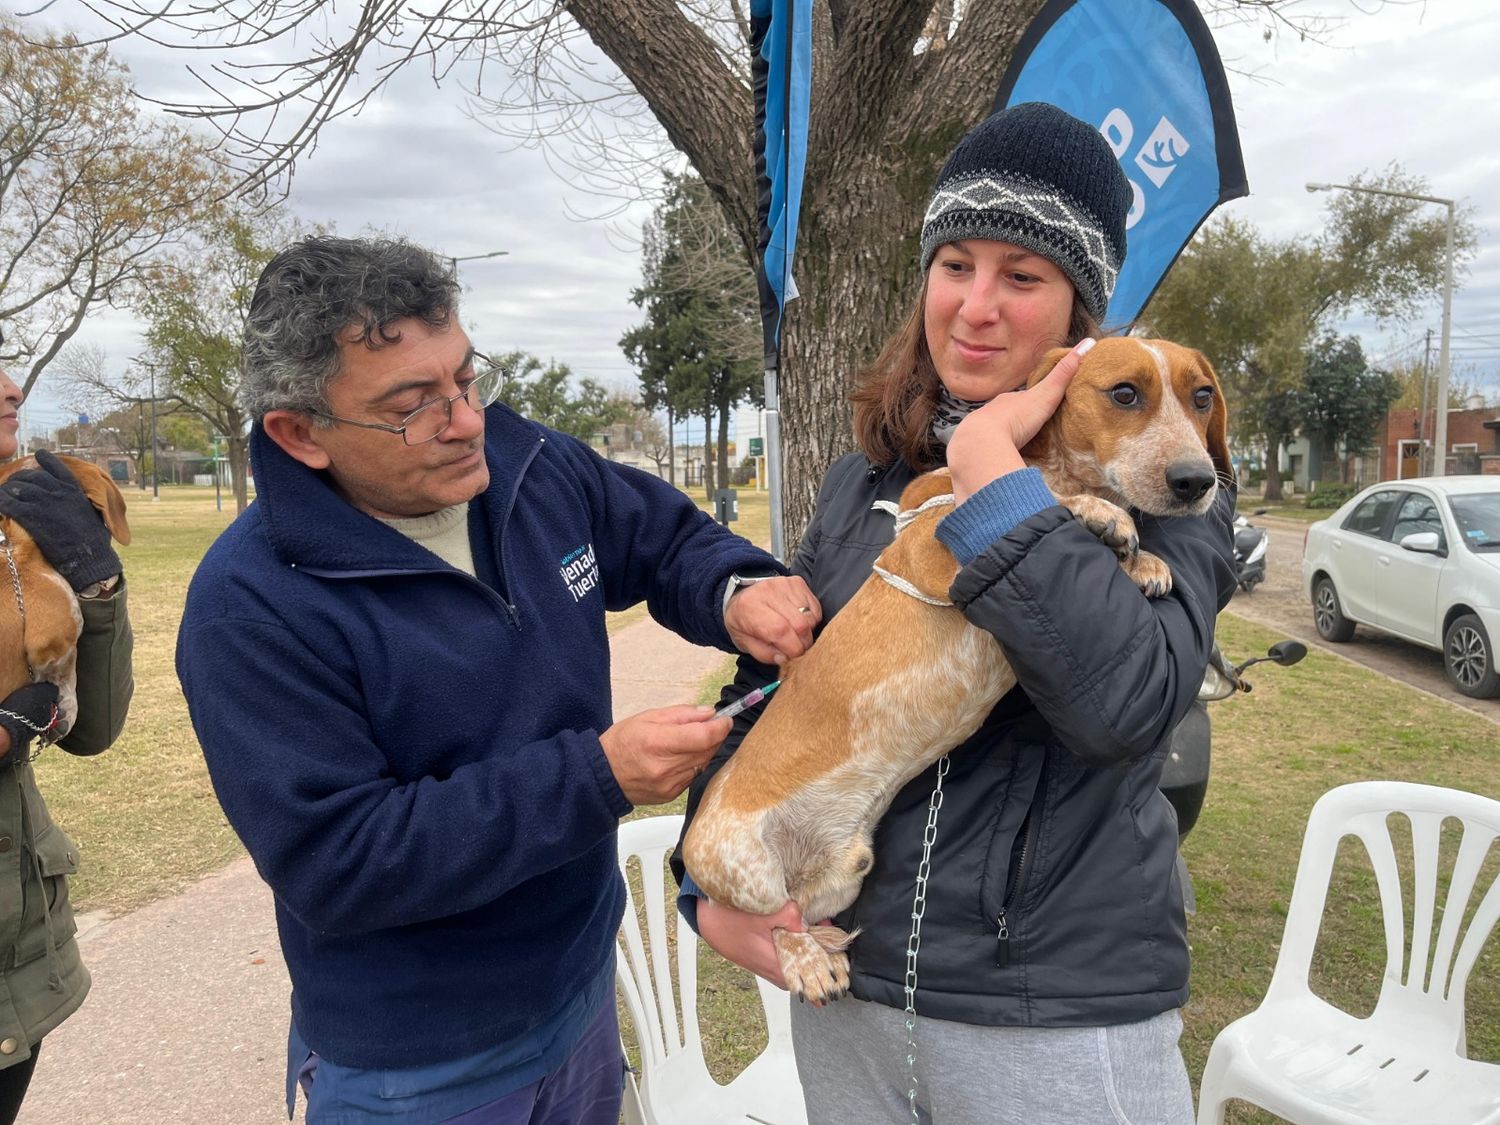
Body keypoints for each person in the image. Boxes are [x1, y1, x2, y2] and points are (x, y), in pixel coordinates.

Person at [674, 102, 1237, 1124]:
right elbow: (781, 693)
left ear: (1081, 319)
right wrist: (703, 890)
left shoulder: (1166, 482)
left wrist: (992, 483)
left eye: (1022, 277)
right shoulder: (868, 478)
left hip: (1054, 1011)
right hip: (854, 991)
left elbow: (1126, 708)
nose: (975, 306)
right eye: (954, 264)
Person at [173, 236, 816, 1124]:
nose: (465, 419)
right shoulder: (250, 606)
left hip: (582, 991)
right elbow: (340, 861)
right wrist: (597, 777)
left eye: (466, 380)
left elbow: (663, 539)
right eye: (411, 406)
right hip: (419, 1064)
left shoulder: (528, 468)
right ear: (298, 433)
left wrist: (734, 590)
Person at [0, 337, 134, 1125]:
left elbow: (92, 731)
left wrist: (97, 586)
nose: (13, 389)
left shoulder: (22, 516)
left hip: (18, 959)